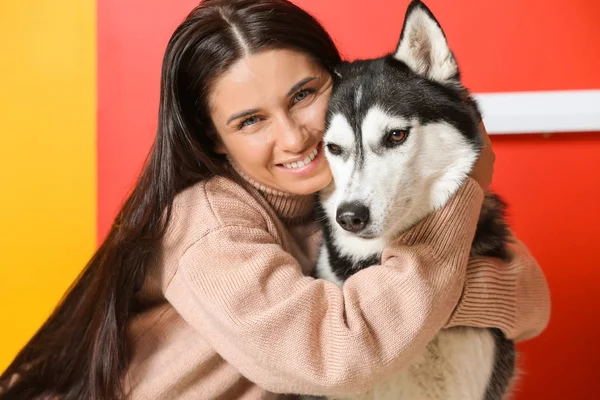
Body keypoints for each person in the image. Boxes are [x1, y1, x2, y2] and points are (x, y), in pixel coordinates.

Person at [0, 0, 550, 399]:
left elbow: (528, 301)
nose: (294, 138)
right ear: (214, 137)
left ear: (342, 80)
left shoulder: (349, 192)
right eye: (251, 120)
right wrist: (466, 191)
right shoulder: (210, 226)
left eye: (304, 95)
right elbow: (335, 352)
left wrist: (422, 282)